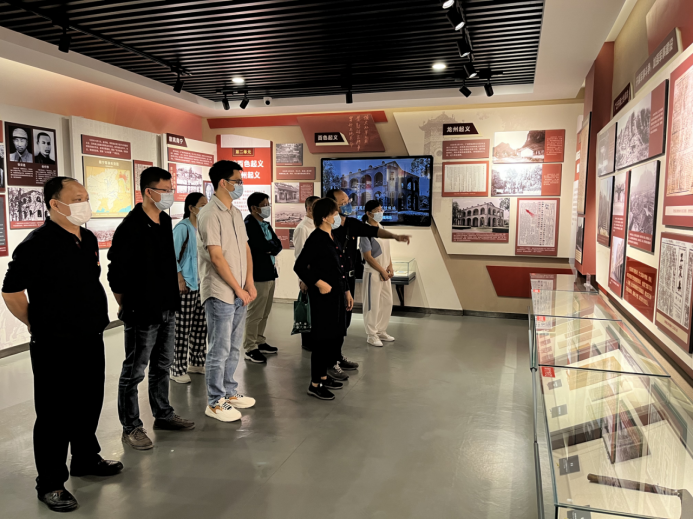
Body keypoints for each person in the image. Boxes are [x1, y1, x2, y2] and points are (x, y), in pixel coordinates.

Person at [2, 177, 122, 513]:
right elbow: (11, 291)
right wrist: (36, 323)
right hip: (54, 343)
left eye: (86, 197)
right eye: (77, 198)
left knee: (88, 402)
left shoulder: (86, 237)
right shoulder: (36, 244)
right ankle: (51, 483)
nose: (85, 203)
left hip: (90, 337)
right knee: (54, 414)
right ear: (55, 204)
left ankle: (85, 458)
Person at [108, 166, 195, 451]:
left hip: (167, 306)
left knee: (162, 365)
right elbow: (116, 275)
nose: (170, 195)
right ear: (148, 192)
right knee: (134, 371)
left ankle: (163, 414)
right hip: (141, 311)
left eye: (171, 190)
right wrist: (127, 305)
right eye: (165, 190)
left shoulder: (164, 220)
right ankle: (131, 427)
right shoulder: (130, 227)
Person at [324, 189, 410, 379]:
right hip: (340, 279)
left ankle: (338, 356)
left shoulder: (352, 224)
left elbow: (376, 233)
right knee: (335, 322)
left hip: (349, 277)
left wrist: (395, 238)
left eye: (348, 200)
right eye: (343, 201)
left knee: (345, 321)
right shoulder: (325, 231)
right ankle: (328, 364)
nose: (348, 203)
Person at [198, 160, 257, 423]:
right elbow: (216, 257)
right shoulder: (210, 213)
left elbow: (245, 248)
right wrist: (237, 287)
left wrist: (249, 283)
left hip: (240, 291)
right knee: (219, 349)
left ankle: (229, 392)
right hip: (220, 291)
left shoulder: (234, 213)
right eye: (237, 181)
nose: (240, 186)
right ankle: (215, 401)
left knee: (234, 347)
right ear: (223, 183)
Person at [294, 198, 352, 400]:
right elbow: (300, 266)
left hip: (337, 296)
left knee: (332, 338)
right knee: (321, 340)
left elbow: (340, 268)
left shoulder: (331, 236)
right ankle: (315, 383)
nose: (338, 217)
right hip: (323, 298)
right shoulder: (316, 238)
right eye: (335, 214)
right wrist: (318, 282)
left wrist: (347, 291)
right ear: (325, 217)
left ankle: (324, 377)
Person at [170, 192, 209, 384]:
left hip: (202, 285)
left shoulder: (203, 228)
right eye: (202, 205)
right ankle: (177, 368)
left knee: (200, 327)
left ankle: (196, 362)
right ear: (191, 208)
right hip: (186, 285)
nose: (206, 208)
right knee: (182, 329)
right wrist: (180, 280)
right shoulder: (182, 228)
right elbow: (171, 257)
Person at [243, 191, 282, 363]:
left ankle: (259, 340)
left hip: (269, 272)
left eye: (268, 204)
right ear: (254, 208)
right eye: (264, 205)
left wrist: (270, 247)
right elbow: (260, 246)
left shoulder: (265, 224)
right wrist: (269, 247)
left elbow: (277, 245)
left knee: (265, 311)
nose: (267, 208)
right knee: (255, 312)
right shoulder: (249, 225)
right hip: (257, 274)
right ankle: (250, 346)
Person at [360, 200, 395, 347]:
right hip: (373, 273)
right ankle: (371, 334)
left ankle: (381, 331)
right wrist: (381, 270)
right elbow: (368, 257)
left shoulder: (381, 227)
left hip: (384, 272)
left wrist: (390, 266)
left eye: (381, 209)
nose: (381, 212)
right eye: (377, 210)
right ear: (369, 213)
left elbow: (387, 250)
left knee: (387, 302)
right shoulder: (364, 231)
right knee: (372, 304)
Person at [293, 195, 319, 351]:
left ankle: (315, 338)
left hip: (318, 275)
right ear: (309, 208)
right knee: (308, 308)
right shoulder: (303, 228)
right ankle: (307, 341)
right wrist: (303, 279)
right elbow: (299, 256)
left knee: (316, 310)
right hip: (308, 276)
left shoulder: (317, 226)